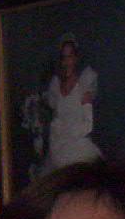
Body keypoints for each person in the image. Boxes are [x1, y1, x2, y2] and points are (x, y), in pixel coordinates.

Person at [36, 35, 101, 177]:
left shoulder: (84, 83)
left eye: (70, 56)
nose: (67, 62)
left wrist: (70, 133)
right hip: (57, 147)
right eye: (64, 58)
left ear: (76, 58)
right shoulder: (55, 85)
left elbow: (88, 126)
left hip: (77, 147)